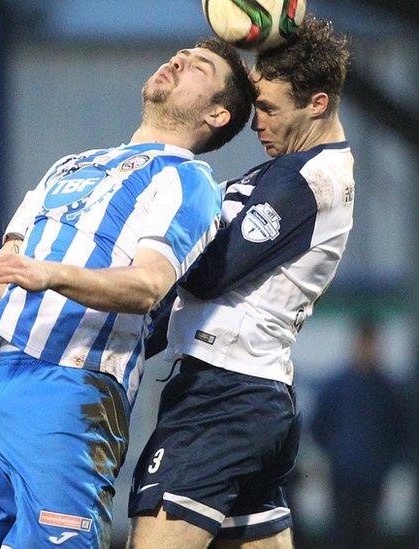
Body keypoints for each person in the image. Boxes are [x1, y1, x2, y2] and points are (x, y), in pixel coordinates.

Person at [0, 38, 256, 548]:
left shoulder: (188, 182)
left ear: (217, 113)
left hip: (74, 389)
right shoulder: (70, 166)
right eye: (181, 55)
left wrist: (51, 274)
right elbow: (1, 274)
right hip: (3, 386)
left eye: (200, 67)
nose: (178, 61)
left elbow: (147, 285)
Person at [128, 17, 354, 548]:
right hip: (255, 394)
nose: (257, 122)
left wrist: (161, 238)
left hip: (221, 396)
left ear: (317, 104)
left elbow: (208, 276)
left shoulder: (310, 180)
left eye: (270, 109)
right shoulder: (288, 170)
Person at [311, 320, 406, 549]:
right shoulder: (337, 386)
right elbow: (318, 427)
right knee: (343, 533)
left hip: (373, 476)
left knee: (368, 534)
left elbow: (399, 431)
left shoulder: (388, 389)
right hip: (342, 475)